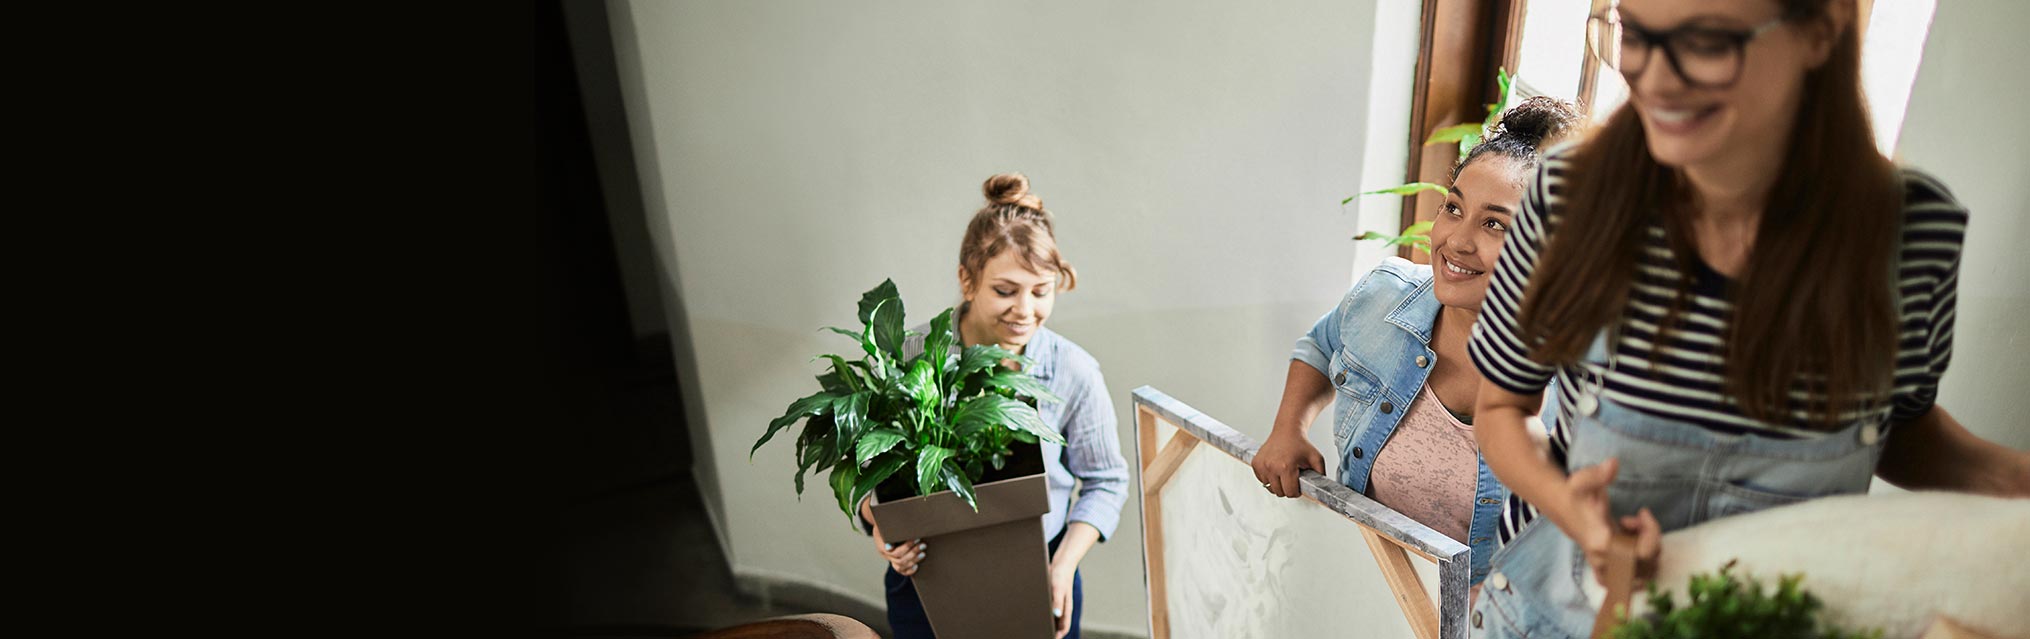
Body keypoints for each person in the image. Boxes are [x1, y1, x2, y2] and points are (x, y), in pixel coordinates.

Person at [1466, 1, 2030, 636]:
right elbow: (1502, 411)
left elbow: (1894, 427)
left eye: (1706, 41)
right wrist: (1574, 510)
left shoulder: (1912, 234)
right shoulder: (1570, 196)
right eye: (1637, 33)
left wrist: (2012, 478)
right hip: (1556, 617)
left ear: (1820, 32)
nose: (1656, 77)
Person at [1252, 97, 1583, 597]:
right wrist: (1288, 429)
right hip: (1362, 593)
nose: (1456, 241)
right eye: (1453, 208)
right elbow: (1320, 343)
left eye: (1495, 224)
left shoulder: (1583, 386)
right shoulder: (1384, 296)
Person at [858, 173, 1130, 639]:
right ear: (967, 280)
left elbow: (1108, 482)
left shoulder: (1073, 371)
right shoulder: (907, 356)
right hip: (924, 579)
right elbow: (861, 471)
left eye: (1041, 292)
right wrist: (879, 525)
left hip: (1040, 577)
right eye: (1006, 291)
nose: (1025, 310)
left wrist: (1062, 567)